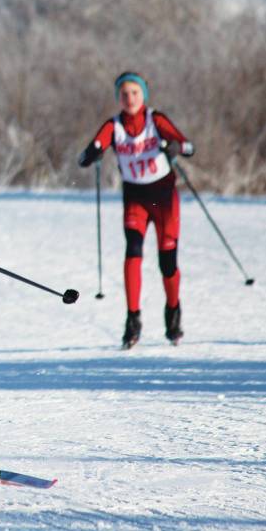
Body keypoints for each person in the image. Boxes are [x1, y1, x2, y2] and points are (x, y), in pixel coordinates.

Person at [77, 72, 195, 349]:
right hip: (135, 198)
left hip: (164, 198)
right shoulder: (114, 126)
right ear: (118, 97)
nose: (129, 98)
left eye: (135, 93)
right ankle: (132, 321)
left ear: (143, 95)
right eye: (124, 94)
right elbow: (90, 151)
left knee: (167, 262)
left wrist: (175, 146)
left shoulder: (156, 120)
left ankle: (173, 314)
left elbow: (187, 145)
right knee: (133, 252)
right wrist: (91, 154)